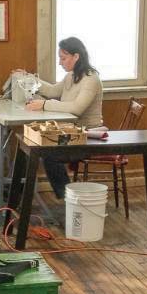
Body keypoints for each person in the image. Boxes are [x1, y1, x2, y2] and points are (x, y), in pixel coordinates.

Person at [23, 37, 103, 198]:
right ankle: (16, 194)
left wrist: (44, 105)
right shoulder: (72, 75)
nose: (60, 62)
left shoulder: (91, 79)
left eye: (63, 58)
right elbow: (53, 91)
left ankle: (67, 198)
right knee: (28, 146)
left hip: (88, 136)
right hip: (73, 133)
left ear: (76, 56)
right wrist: (29, 77)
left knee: (48, 154)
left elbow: (76, 109)